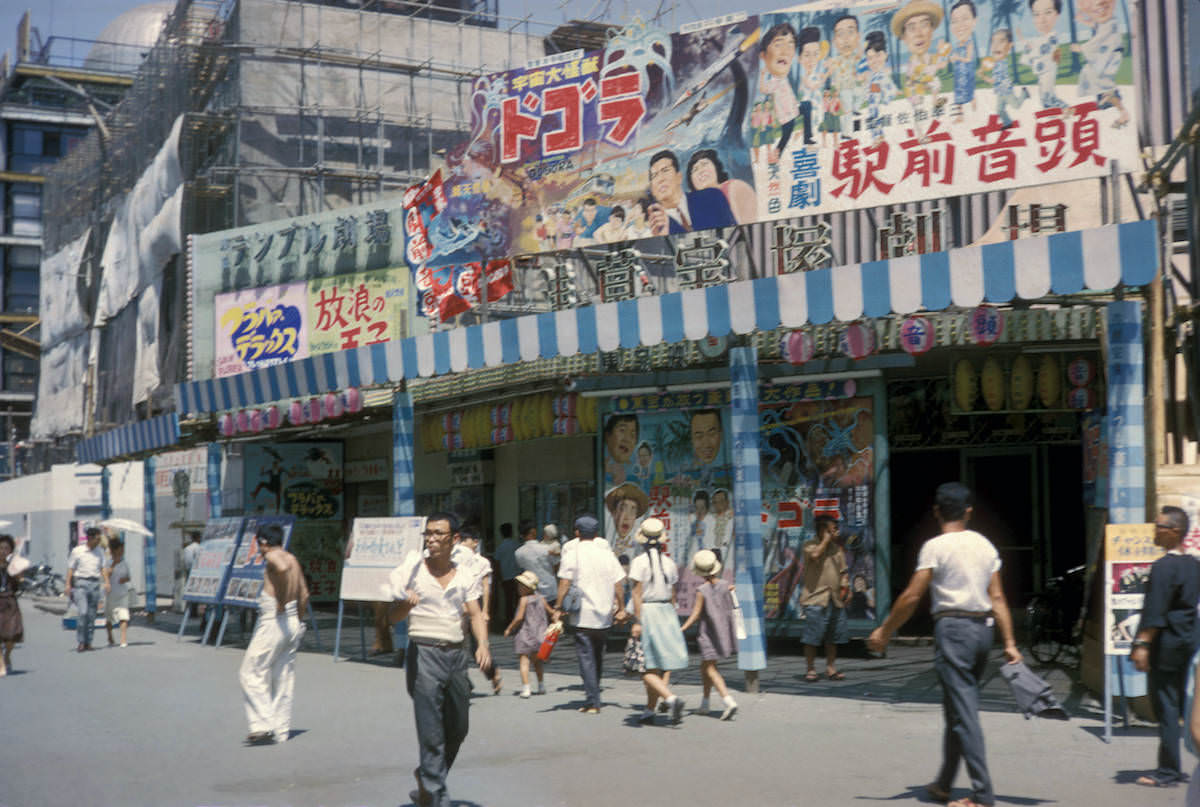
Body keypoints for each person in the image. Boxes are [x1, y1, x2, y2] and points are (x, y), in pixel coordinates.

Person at [868, 482, 1021, 807]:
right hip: (983, 632)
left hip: (953, 630)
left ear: (936, 512)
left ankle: (982, 796)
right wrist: (1009, 642)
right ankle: (943, 785)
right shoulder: (985, 546)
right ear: (968, 511)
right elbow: (997, 597)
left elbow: (912, 596)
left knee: (964, 714)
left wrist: (885, 630)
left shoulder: (935, 547)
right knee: (957, 709)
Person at [389, 512, 490, 807]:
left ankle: (427, 777)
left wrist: (483, 644)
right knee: (431, 730)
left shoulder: (465, 574)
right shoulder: (413, 570)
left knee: (458, 727)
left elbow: (474, 613)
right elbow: (390, 617)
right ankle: (437, 796)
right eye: (428, 534)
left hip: (456, 654)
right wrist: (404, 605)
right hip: (424, 653)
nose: (431, 540)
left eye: (438, 534)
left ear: (454, 539)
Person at [1130, 505, 1200, 788]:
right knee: (1184, 704)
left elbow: (1155, 611)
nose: (1153, 531)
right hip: (1188, 639)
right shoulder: (1194, 565)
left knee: (1167, 706)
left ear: (1173, 532)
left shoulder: (1163, 567)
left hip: (1167, 644)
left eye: (1158, 526)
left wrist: (1142, 644)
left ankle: (1168, 771)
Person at [239, 523, 309, 745]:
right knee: (283, 676)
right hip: (292, 618)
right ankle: (280, 730)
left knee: (250, 671)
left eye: (259, 544)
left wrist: (280, 597)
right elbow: (304, 594)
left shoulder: (272, 557)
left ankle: (264, 724)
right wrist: (297, 618)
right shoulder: (294, 559)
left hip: (273, 619)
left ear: (263, 542)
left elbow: (279, 566)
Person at [553, 514, 627, 714]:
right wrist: (621, 608)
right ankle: (594, 695)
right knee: (597, 655)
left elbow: (564, 582)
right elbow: (618, 583)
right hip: (604, 614)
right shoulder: (606, 552)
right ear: (596, 533)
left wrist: (558, 607)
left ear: (577, 532)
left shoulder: (572, 552)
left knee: (586, 657)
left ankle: (593, 701)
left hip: (583, 614)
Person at [628, 518, 689, 724]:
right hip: (667, 612)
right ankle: (649, 709)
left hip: (648, 611)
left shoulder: (638, 562)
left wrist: (637, 621)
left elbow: (637, 594)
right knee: (657, 665)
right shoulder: (670, 563)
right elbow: (673, 595)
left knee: (644, 667)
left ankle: (671, 699)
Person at [680, 548, 738, 720]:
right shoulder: (727, 585)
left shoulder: (702, 590)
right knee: (706, 666)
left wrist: (682, 628)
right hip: (723, 632)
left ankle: (728, 700)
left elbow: (696, 614)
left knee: (710, 668)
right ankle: (705, 703)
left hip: (707, 634)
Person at [800, 516, 850, 682]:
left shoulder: (837, 549)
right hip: (815, 599)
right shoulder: (810, 546)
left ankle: (831, 668)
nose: (835, 532)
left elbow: (843, 571)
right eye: (831, 529)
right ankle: (811, 669)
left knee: (832, 637)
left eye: (835, 529)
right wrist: (826, 540)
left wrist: (845, 586)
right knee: (812, 638)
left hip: (834, 599)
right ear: (822, 530)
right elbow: (815, 555)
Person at [453, 527, 501, 694]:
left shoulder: (482, 562)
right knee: (455, 644)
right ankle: (463, 683)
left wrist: (485, 610)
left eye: (472, 541)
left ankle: (493, 673)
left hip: (475, 601)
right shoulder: (454, 556)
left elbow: (486, 587)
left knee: (476, 647)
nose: (470, 544)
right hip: (458, 601)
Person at [646, 150, 736, 236]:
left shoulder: (712, 197)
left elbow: (734, 233)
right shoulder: (654, 227)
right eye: (654, 175)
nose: (660, 179)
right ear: (652, 189)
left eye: (665, 170)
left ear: (679, 177)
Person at [503, 570, 553, 698]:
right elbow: (551, 612)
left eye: (521, 585)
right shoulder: (541, 598)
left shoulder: (524, 600)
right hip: (540, 636)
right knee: (537, 662)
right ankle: (541, 686)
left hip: (525, 635)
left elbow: (519, 618)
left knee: (524, 662)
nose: (518, 588)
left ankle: (526, 688)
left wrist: (509, 628)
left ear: (527, 587)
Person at [66, 526, 109, 652]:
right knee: (83, 613)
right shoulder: (77, 551)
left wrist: (106, 582)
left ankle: (89, 642)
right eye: (97, 538)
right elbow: (71, 568)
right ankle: (81, 641)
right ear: (90, 538)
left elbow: (103, 568)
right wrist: (68, 584)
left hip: (95, 584)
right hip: (81, 584)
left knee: (91, 616)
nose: (99, 541)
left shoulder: (100, 552)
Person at [685, 149, 756, 224]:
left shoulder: (735, 188)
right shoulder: (693, 208)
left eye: (704, 164)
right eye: (695, 170)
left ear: (716, 167)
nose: (701, 171)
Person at [605, 481, 650, 558]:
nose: (626, 517)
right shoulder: (605, 540)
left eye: (633, 510)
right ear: (614, 512)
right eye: (622, 508)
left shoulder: (641, 544)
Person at [515, 520, 557, 602]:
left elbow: (522, 570)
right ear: (533, 531)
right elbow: (556, 567)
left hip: (532, 594)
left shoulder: (518, 553)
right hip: (550, 592)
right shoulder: (547, 549)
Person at [0, 534, 24, 676]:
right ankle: (1, 663)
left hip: (9, 601)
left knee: (12, 634)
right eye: (0, 548)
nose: (3, 551)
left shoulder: (13, 565)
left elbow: (20, 580)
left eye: (6, 548)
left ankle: (7, 654)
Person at [104, 537, 132, 648]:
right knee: (109, 617)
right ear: (114, 550)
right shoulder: (108, 563)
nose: (122, 551)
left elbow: (129, 577)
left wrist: (125, 579)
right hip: (110, 594)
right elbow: (106, 575)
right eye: (120, 549)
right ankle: (110, 635)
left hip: (122, 594)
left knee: (123, 615)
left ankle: (123, 639)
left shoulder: (125, 563)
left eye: (123, 549)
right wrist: (113, 564)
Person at [495, 522, 520, 625]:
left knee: (508, 602)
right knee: (519, 601)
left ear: (501, 533)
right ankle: (518, 622)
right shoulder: (517, 545)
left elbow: (497, 564)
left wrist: (500, 578)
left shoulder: (500, 548)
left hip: (506, 578)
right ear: (511, 532)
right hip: (518, 577)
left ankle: (509, 623)